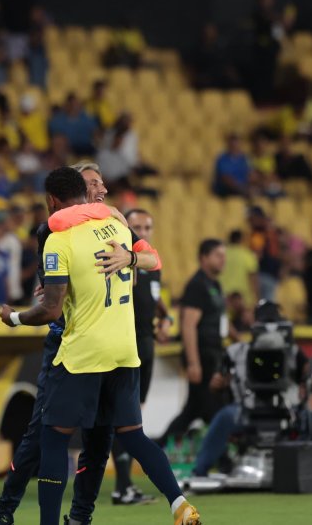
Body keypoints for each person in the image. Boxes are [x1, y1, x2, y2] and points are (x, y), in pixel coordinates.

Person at [0, 168, 201, 525]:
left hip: (82, 353)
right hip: (124, 350)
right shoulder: (117, 225)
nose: (103, 190)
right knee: (130, 436)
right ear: (84, 190)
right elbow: (151, 258)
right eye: (95, 184)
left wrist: (14, 318)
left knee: (53, 438)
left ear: (52, 200)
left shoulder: (59, 236)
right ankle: (179, 503)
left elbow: (51, 308)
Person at [192, 301, 312, 478]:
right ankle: (199, 472)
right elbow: (218, 382)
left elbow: (307, 380)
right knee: (225, 417)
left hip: (286, 412)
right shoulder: (236, 352)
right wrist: (217, 383)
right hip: (249, 410)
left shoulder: (293, 352)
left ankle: (310, 471)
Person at [110, 207, 170, 506]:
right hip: (124, 345)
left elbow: (154, 300)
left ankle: (125, 485)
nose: (142, 233)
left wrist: (166, 317)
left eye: (147, 228)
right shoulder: (119, 260)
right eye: (137, 227)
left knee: (134, 413)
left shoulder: (152, 264)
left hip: (146, 343)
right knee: (124, 417)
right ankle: (121, 486)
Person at [163, 239, 228, 441]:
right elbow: (188, 325)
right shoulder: (197, 285)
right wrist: (193, 363)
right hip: (202, 355)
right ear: (203, 258)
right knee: (212, 408)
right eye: (218, 255)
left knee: (194, 411)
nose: (222, 260)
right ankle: (221, 454)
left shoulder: (214, 284)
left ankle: (159, 448)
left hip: (214, 353)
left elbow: (219, 317)